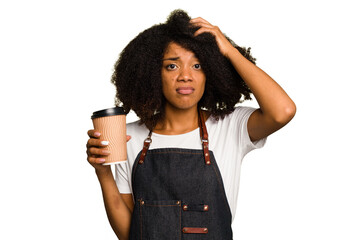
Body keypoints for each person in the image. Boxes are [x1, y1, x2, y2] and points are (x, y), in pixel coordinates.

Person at [86, 9, 296, 240]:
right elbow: (128, 234)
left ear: (212, 73)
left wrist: (228, 50)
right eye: (172, 66)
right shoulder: (128, 137)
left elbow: (282, 111)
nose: (186, 76)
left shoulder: (230, 126)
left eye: (197, 66)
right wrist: (103, 173)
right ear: (153, 74)